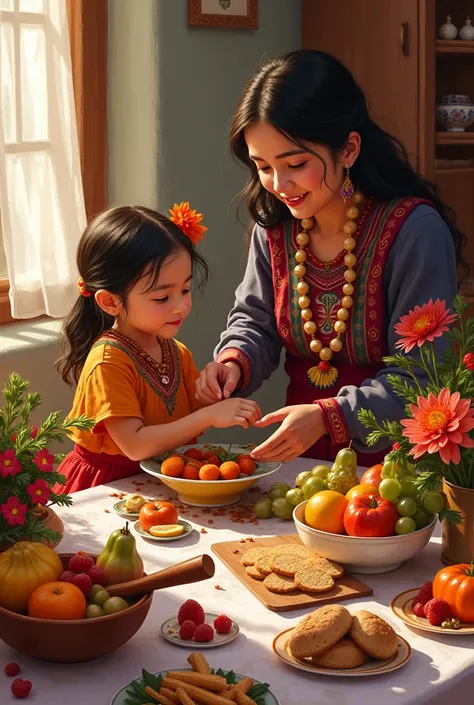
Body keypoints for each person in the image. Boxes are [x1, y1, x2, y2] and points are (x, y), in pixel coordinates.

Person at [196, 50, 464, 465]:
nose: (279, 185)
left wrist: (329, 417)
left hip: (398, 466)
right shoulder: (274, 230)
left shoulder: (413, 231)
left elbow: (422, 376)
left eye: (296, 163)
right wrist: (233, 362)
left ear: (349, 149)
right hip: (300, 463)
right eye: (262, 166)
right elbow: (255, 321)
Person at [55, 204, 261, 494]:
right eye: (163, 297)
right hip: (108, 488)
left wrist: (214, 392)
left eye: (185, 290)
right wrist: (209, 416)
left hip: (159, 482)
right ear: (111, 302)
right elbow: (135, 444)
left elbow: (182, 420)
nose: (181, 306)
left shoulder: (176, 352)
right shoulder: (108, 361)